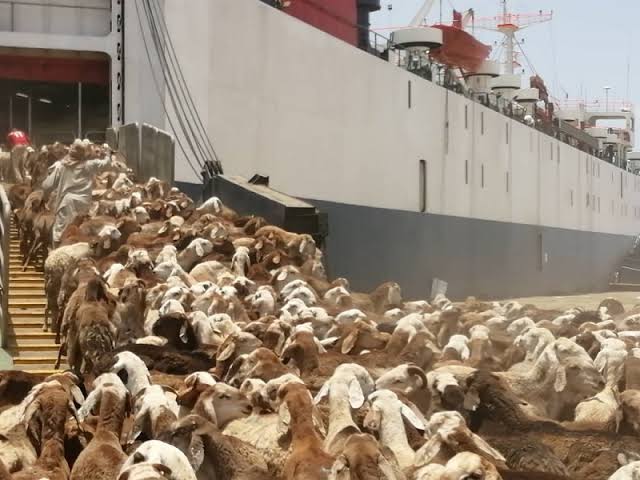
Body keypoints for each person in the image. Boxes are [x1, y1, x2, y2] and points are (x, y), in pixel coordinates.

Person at [42, 140, 113, 247]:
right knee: (80, 230)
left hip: (67, 204)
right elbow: (106, 164)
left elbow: (47, 185)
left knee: (60, 232)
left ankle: (57, 252)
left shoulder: (62, 166)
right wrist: (107, 153)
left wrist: (45, 196)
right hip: (84, 204)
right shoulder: (89, 165)